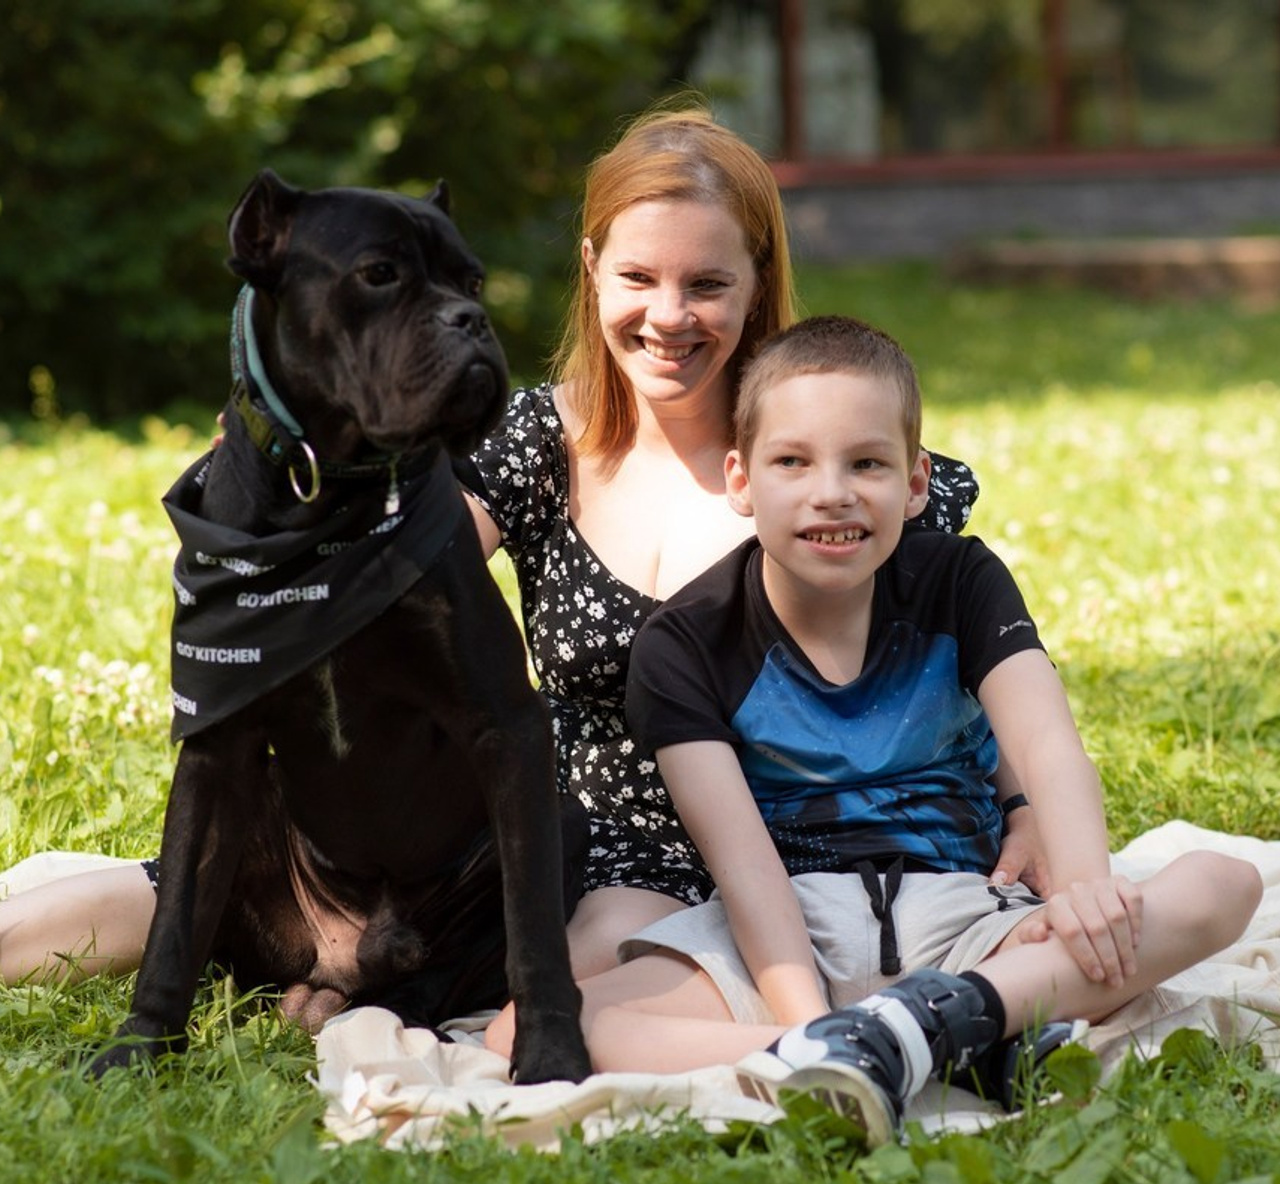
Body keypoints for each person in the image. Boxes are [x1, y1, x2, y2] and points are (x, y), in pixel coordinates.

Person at [0, 101, 1011, 1002]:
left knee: (573, 972)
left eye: (706, 282)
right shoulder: (531, 445)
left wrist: (1022, 810)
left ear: (758, 281)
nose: (668, 315)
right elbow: (370, 582)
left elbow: (947, 665)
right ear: (590, 272)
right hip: (560, 848)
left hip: (764, 859)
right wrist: (277, 471)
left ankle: (376, 990)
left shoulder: (833, 469)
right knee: (168, 891)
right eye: (638, 277)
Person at [518, 314, 1262, 1143]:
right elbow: (744, 864)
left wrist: (1086, 888)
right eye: (792, 462)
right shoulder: (686, 643)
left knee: (1220, 886)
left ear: (915, 484)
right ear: (741, 479)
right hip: (793, 923)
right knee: (525, 1029)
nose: (830, 491)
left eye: (866, 463)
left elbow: (1046, 741)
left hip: (970, 914)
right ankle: (927, 1044)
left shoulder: (960, 578)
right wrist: (806, 1021)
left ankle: (934, 1023)